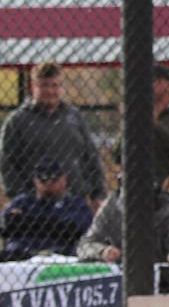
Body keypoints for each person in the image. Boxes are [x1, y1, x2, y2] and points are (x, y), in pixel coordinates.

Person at [1, 63, 104, 204]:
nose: (50, 91)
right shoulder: (17, 121)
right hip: (35, 205)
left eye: (55, 85)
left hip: (75, 202)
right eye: (44, 85)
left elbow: (91, 156)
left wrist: (97, 194)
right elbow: (7, 164)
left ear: (61, 87)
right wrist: (21, 198)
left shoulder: (74, 116)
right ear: (33, 86)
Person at [77, 185, 169, 288]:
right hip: (121, 276)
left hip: (162, 277)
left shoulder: (167, 207)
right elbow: (85, 244)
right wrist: (103, 251)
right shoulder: (111, 204)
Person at [1, 158, 94, 259]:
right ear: (35, 180)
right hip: (20, 258)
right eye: (43, 178)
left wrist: (21, 222)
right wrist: (55, 224)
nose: (49, 183)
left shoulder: (76, 204)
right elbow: (4, 225)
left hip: (61, 258)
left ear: (64, 179)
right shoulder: (22, 201)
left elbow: (72, 229)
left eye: (54, 178)